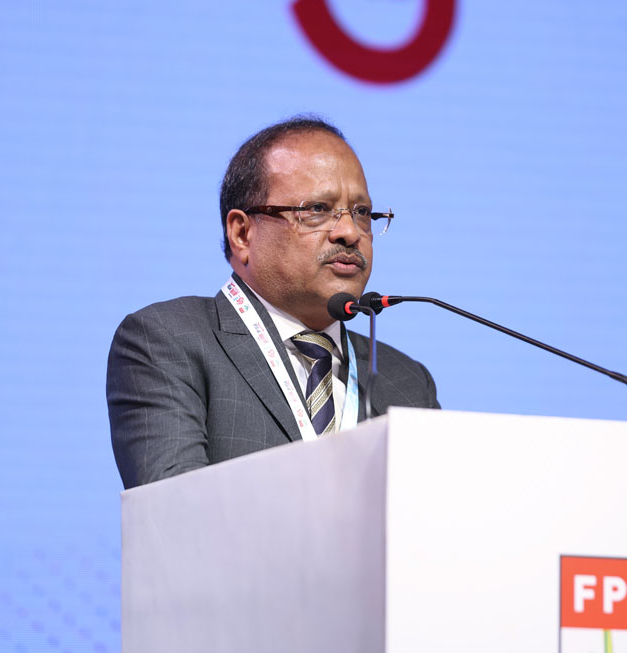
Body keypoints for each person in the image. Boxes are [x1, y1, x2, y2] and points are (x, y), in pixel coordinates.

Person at [107, 116, 440, 489]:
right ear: (242, 233)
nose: (349, 232)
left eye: (361, 213)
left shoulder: (407, 381)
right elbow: (175, 508)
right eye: (316, 209)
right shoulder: (168, 341)